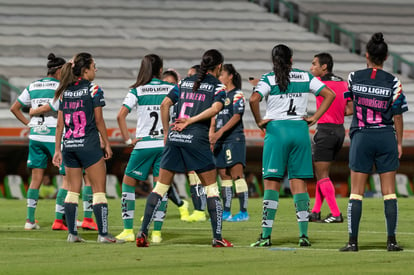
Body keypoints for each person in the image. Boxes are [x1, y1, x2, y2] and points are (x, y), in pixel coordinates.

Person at [136, 49, 233, 247]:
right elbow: (215, 109)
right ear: (219, 66)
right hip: (197, 140)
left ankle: (142, 232)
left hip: (175, 137)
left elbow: (164, 105)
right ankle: (217, 238)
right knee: (212, 190)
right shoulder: (218, 87)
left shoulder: (184, 82)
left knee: (160, 187)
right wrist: (191, 121)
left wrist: (165, 133)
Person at [249, 44, 335, 247]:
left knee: (272, 183)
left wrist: (260, 121)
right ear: (291, 59)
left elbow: (253, 99)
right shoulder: (305, 76)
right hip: (299, 131)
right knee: (299, 183)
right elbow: (329, 94)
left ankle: (266, 236)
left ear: (274, 60)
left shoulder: (269, 78)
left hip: (277, 131)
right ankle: (303, 236)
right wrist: (314, 117)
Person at [340, 33, 407, 252]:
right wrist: (398, 143)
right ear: (386, 56)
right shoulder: (394, 82)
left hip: (362, 136)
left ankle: (352, 242)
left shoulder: (353, 77)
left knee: (356, 192)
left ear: (366, 55)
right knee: (389, 191)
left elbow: (348, 109)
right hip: (386, 136)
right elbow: (398, 115)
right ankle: (391, 241)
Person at [115, 55, 188, 244]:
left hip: (144, 143)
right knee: (160, 188)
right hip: (165, 144)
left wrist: (128, 139)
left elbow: (120, 116)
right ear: (160, 69)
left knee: (127, 184)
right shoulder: (173, 88)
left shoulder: (137, 89)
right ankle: (156, 233)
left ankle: (128, 230)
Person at [52, 52, 121, 243]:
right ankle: (103, 234)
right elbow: (99, 120)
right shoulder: (93, 89)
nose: (96, 69)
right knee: (99, 190)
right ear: (85, 70)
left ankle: (72, 234)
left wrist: (57, 149)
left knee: (73, 190)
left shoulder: (64, 91)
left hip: (69, 146)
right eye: (94, 66)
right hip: (88, 145)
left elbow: (59, 125)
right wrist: (106, 142)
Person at [10, 53, 66, 230]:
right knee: (67, 179)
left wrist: (29, 123)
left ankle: (29, 220)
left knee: (36, 179)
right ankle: (58, 219)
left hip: (36, 135)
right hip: (54, 135)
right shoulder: (61, 86)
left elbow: (15, 108)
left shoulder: (33, 85)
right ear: (58, 71)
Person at [30, 98, 98, 231]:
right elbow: (96, 119)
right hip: (84, 140)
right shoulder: (88, 92)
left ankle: (58, 220)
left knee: (67, 183)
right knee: (88, 180)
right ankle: (87, 220)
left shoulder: (64, 95)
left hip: (68, 142)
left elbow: (58, 122)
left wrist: (33, 110)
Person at [308, 52, 353, 223]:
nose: (311, 67)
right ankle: (316, 211)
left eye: (314, 64)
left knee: (322, 174)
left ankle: (335, 213)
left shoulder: (318, 82)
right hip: (340, 131)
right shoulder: (343, 82)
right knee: (322, 173)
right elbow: (350, 109)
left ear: (324, 66)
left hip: (325, 131)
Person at [164, 67, 207, 222]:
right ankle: (179, 205)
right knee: (163, 175)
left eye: (192, 75)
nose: (189, 78)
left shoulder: (194, 94)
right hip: (174, 135)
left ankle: (200, 211)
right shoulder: (173, 95)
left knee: (194, 173)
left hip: (191, 135)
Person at [210, 64, 249, 222]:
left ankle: (243, 212)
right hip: (220, 140)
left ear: (230, 76)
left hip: (234, 139)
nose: (219, 77)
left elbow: (236, 117)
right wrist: (212, 133)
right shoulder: (219, 95)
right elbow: (214, 116)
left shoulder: (237, 94)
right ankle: (226, 211)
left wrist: (219, 132)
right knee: (223, 175)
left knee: (237, 175)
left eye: (222, 75)